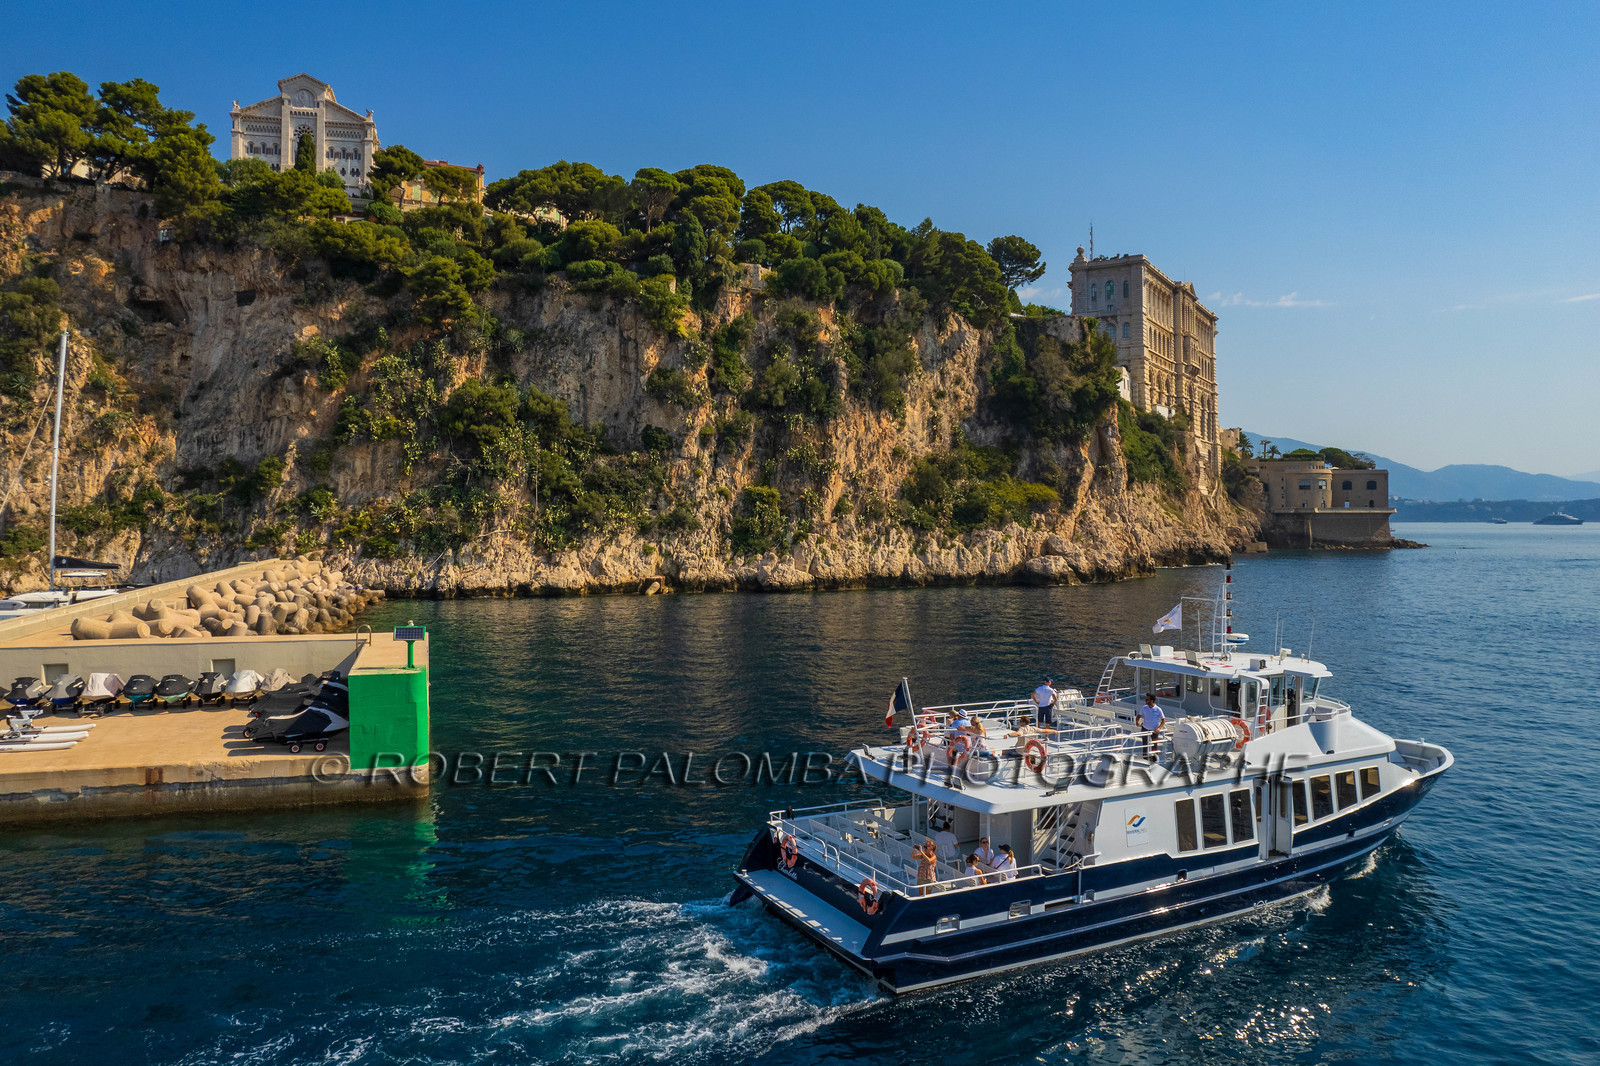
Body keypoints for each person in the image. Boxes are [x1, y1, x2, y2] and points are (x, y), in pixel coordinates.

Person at [1140, 692, 1166, 760]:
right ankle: (1145, 759)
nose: (1145, 701)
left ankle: (1155, 760)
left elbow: (1163, 720)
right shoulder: (1144, 708)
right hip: (1145, 728)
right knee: (1145, 745)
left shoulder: (1158, 709)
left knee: (1154, 745)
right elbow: (1138, 716)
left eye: (1147, 700)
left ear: (1152, 701)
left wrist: (1159, 728)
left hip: (1154, 730)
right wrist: (1137, 722)